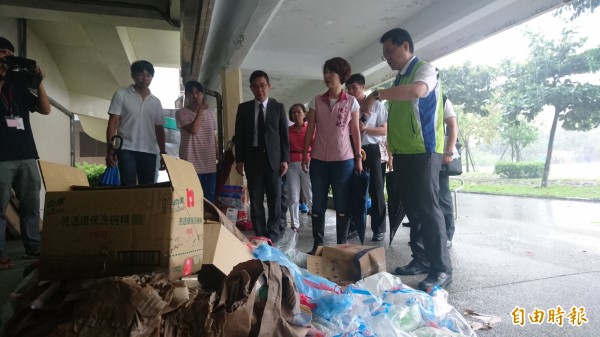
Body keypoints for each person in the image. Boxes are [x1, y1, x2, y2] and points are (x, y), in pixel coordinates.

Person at [365, 28, 452, 291]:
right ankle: (422, 259)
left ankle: (442, 269)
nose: (388, 58)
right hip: (403, 153)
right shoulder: (398, 80)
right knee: (413, 211)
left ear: (406, 46)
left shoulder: (425, 70)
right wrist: (391, 151)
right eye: (385, 55)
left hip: (424, 150)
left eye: (390, 51)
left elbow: (418, 91)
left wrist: (376, 95)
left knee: (428, 209)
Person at [302, 57, 362, 255]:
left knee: (342, 204)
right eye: (325, 72)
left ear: (341, 75)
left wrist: (358, 158)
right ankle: (317, 245)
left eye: (331, 72)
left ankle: (341, 245)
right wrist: (305, 155)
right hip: (319, 160)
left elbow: (355, 130)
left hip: (344, 161)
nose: (327, 76)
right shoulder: (316, 100)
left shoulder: (351, 102)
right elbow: (309, 128)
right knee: (318, 203)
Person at [0, 37, 51, 270]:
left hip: (27, 152)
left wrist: (38, 82)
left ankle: (34, 245)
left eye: (9, 55)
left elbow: (45, 109)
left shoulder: (19, 85)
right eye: (1, 54)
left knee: (30, 203)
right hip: (2, 155)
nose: (5, 59)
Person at [235, 70, 289, 243]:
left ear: (269, 86)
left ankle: (272, 235)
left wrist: (284, 160)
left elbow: (283, 135)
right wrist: (239, 160)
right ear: (251, 88)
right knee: (256, 200)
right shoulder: (244, 109)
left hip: (273, 160)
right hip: (253, 159)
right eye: (256, 86)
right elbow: (240, 135)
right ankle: (260, 234)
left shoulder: (278, 108)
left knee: (275, 199)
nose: (260, 89)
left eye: (263, 85)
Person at [106, 60, 166, 186]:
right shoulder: (121, 95)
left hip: (150, 151)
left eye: (149, 75)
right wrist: (110, 149)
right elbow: (113, 122)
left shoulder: (156, 102)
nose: (145, 78)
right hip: (126, 148)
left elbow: (159, 129)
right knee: (128, 186)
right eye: (141, 74)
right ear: (133, 75)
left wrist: (163, 152)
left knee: (148, 188)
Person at [346, 73, 388, 242]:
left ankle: (379, 228)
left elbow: (384, 130)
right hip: (352, 149)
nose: (351, 91)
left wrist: (366, 130)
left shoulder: (377, 105)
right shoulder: (347, 105)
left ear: (363, 87)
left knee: (376, 189)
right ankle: (355, 226)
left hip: (371, 150)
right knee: (354, 188)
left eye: (354, 87)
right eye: (348, 88)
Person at [175, 80, 218, 202]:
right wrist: (200, 111)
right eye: (190, 93)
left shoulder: (210, 114)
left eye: (198, 93)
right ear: (186, 95)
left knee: (209, 199)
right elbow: (193, 129)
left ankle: (208, 221)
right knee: (191, 200)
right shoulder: (180, 113)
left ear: (202, 94)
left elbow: (213, 136)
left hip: (209, 163)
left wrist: (218, 154)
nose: (195, 96)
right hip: (190, 164)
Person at [286, 103, 313, 231]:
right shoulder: (288, 131)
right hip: (292, 164)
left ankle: (315, 216)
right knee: (293, 194)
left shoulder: (310, 129)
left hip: (307, 162)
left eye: (299, 112)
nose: (296, 115)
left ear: (305, 114)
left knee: (309, 192)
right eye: (293, 113)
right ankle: (294, 224)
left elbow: (316, 145)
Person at [439, 95, 459, 248]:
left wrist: (449, 151)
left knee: (443, 195)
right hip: (425, 155)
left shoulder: (443, 99)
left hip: (441, 156)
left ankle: (447, 235)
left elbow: (453, 126)